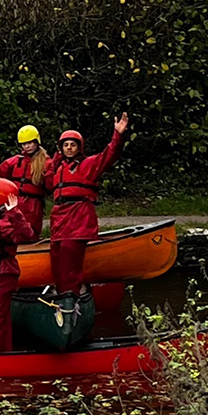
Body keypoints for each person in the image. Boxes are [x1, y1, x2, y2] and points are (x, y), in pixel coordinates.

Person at [45, 116, 128, 294]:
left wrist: (118, 135)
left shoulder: (88, 165)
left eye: (72, 145)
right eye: (65, 145)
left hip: (77, 219)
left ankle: (71, 298)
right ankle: (63, 296)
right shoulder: (57, 168)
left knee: (69, 265)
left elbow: (109, 154)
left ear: (79, 147)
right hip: (59, 221)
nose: (69, 148)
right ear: (60, 148)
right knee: (57, 263)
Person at [0, 178, 35, 353]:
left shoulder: (5, 220)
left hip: (0, 272)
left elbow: (25, 235)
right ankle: (2, 350)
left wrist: (15, 213)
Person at [0, 125, 50, 236]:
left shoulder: (46, 162)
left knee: (30, 233)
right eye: (24, 144)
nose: (27, 146)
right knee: (10, 231)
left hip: (33, 206)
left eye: (30, 143)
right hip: (14, 202)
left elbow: (51, 186)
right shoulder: (15, 161)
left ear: (36, 142)